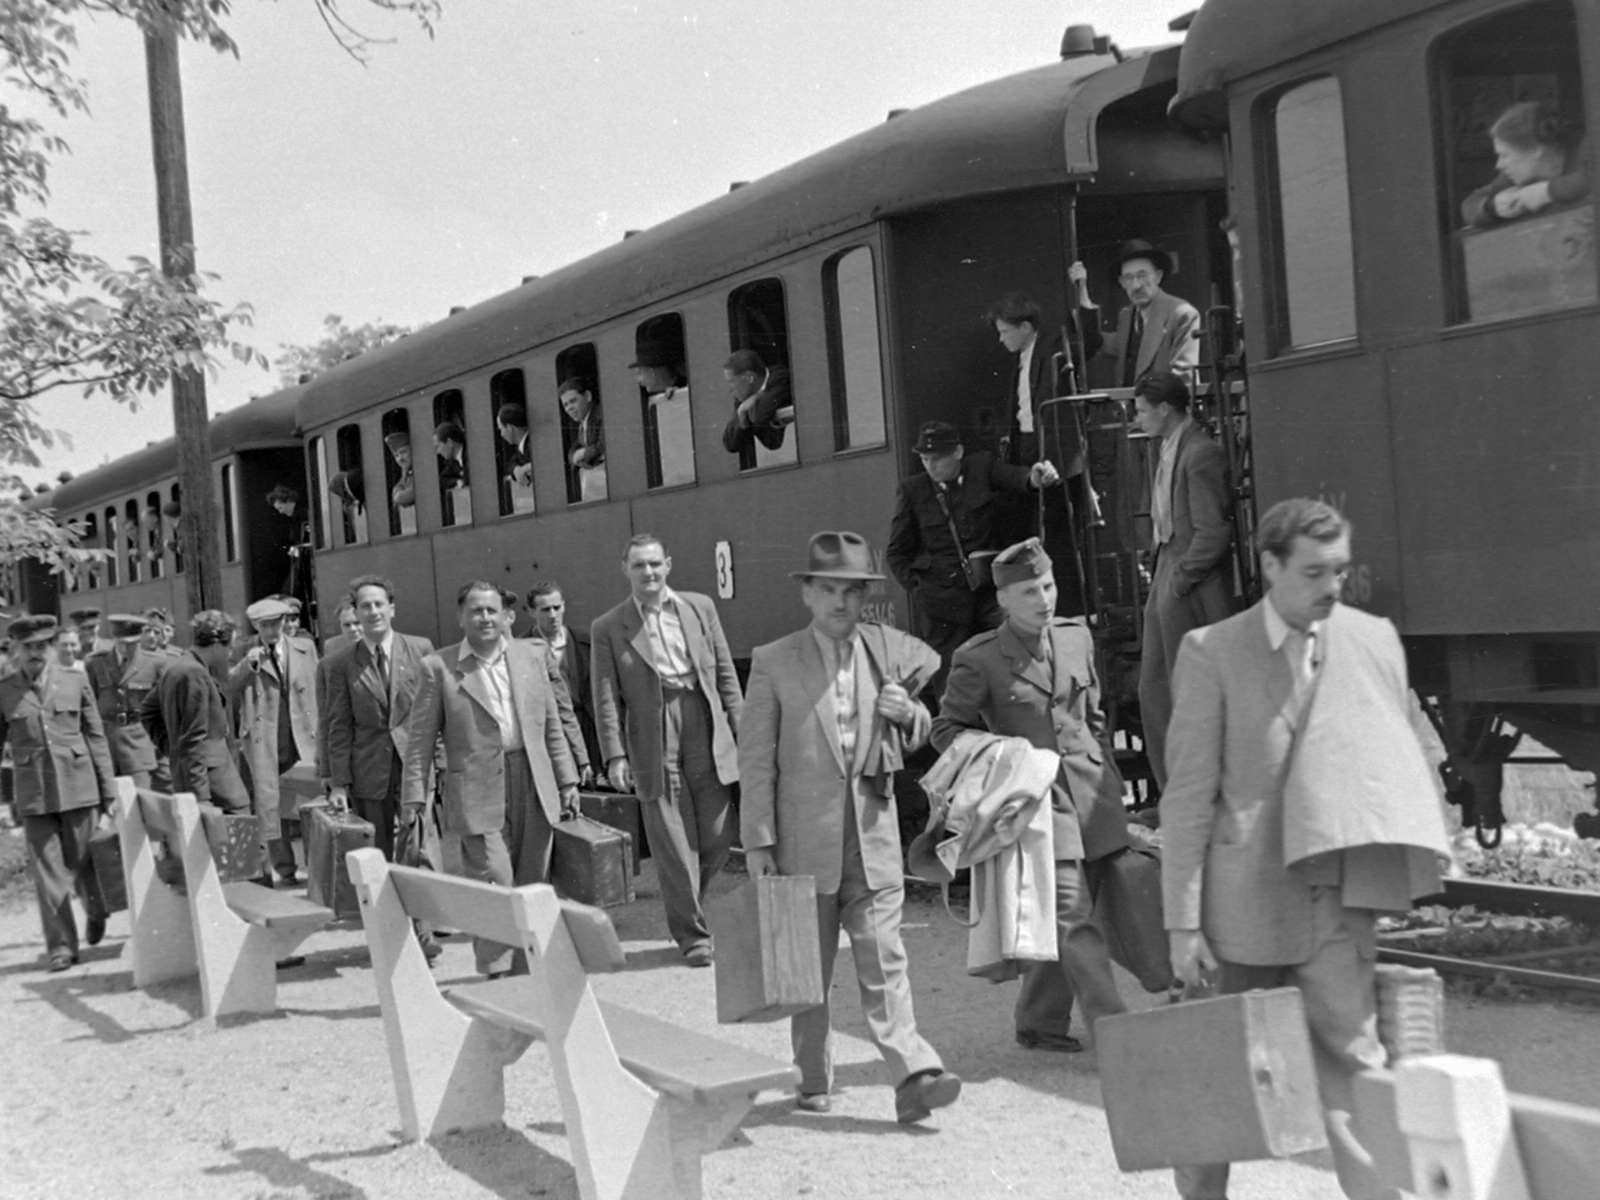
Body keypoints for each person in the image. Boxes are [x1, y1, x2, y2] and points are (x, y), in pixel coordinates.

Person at [1161, 498, 1453, 1200]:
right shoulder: (1212, 653)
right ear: (1270, 565)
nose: (1332, 587)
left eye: (1340, 571)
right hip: (1240, 913)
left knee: (1355, 1071)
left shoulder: (1373, 639)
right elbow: (1189, 797)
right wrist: (1182, 922)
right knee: (1218, 1086)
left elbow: (1407, 750)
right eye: (1315, 572)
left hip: (1335, 903)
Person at [741, 531, 961, 1124]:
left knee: (885, 956)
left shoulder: (885, 652)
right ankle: (812, 1078)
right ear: (807, 594)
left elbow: (919, 729)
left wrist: (911, 715)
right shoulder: (773, 661)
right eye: (829, 590)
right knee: (806, 968)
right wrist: (759, 840)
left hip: (872, 831)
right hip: (800, 841)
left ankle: (913, 1074)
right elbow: (756, 758)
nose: (842, 603)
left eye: (853, 592)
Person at [932, 538, 1131, 1053]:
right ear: (1004, 600)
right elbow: (946, 729)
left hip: (1094, 798)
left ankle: (1039, 1022)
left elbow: (1094, 718)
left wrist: (1109, 776)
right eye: (1028, 591)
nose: (1044, 599)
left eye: (1047, 585)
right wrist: (1004, 759)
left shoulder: (1075, 638)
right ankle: (1119, 1032)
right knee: (1072, 915)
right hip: (1037, 806)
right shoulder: (978, 659)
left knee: (1074, 914)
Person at [400, 581, 580, 978]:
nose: (485, 618)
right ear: (461, 618)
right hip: (476, 789)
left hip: (532, 779)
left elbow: (551, 726)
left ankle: (527, 968)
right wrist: (414, 795)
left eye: (492, 610)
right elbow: (420, 741)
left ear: (505, 617)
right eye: (476, 611)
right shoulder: (439, 668)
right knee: (494, 877)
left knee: (533, 878)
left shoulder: (531, 656)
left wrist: (566, 781)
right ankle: (496, 968)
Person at [591, 534, 741, 967]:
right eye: (639, 565)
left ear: (669, 565)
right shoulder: (609, 626)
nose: (649, 573)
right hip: (652, 733)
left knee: (717, 837)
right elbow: (605, 699)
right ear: (626, 570)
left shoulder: (700, 607)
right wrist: (615, 755)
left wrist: (745, 733)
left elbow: (726, 675)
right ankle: (693, 936)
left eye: (655, 564)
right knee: (673, 843)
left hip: (704, 719)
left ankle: (687, 904)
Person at [887, 420, 1061, 697]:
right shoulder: (913, 490)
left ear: (957, 452)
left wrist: (1035, 478)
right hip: (943, 605)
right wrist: (921, 590)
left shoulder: (980, 467)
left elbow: (1016, 477)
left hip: (990, 594)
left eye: (938, 458)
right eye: (924, 459)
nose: (931, 466)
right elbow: (896, 553)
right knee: (952, 686)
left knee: (1020, 641)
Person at [1131, 372, 1234, 789]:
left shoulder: (1199, 453)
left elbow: (1213, 532)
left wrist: (1180, 578)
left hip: (1187, 581)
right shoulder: (1171, 448)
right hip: (1169, 569)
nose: (1137, 419)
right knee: (1155, 690)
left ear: (1164, 409)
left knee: (1182, 692)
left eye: (1141, 411)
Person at [0, 615, 118, 971]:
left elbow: (95, 735)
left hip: (79, 786)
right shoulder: (5, 691)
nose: (35, 653)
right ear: (17, 651)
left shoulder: (74, 679)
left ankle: (95, 908)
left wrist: (108, 789)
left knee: (84, 863)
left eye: (41, 646)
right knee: (48, 874)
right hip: (34, 793)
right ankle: (62, 947)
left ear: (50, 647)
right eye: (28, 647)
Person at [325, 575, 436, 860]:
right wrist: (339, 782)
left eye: (378, 604)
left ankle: (420, 904)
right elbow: (339, 726)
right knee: (376, 855)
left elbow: (435, 713)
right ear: (356, 613)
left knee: (422, 851)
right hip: (369, 771)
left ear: (392, 608)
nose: (373, 612)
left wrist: (442, 763)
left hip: (415, 765)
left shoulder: (420, 650)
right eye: (365, 606)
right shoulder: (342, 664)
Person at [230, 596, 320, 885]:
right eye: (264, 626)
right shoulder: (244, 650)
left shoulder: (304, 647)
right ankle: (285, 869)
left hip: (301, 736)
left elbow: (318, 687)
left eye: (275, 624)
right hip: (264, 739)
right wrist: (248, 664)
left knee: (310, 801)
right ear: (256, 625)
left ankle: (318, 869)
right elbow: (227, 685)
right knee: (271, 804)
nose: (271, 631)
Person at [141, 610, 251, 814]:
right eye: (230, 646)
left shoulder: (175, 666)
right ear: (217, 645)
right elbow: (194, 737)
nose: (230, 653)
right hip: (213, 782)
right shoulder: (195, 674)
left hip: (193, 775)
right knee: (241, 828)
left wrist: (173, 748)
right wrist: (201, 798)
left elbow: (148, 712)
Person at [1070, 239, 1200, 389]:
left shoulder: (1181, 315)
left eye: (1142, 275)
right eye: (1129, 278)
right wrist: (1082, 288)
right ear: (1121, 282)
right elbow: (1097, 341)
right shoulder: (1127, 316)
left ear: (1158, 276)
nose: (1136, 285)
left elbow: (1183, 380)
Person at [1462, 100, 1591, 227]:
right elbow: (1470, 204)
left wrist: (1545, 192)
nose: (1499, 165)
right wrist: (1493, 207)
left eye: (1505, 155)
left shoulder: (1588, 148)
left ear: (1535, 149)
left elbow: (1593, 177)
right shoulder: (1513, 176)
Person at [528, 581, 602, 783]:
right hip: (551, 732)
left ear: (564, 606)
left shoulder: (587, 642)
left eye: (556, 608)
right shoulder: (522, 649)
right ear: (532, 612)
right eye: (545, 610)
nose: (552, 615)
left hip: (589, 727)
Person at [83, 615, 166, 791]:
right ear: (114, 640)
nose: (126, 648)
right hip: (107, 742)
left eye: (131, 644)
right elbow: (90, 703)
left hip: (138, 741)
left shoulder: (154, 664)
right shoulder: (96, 662)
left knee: (141, 797)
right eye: (121, 644)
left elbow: (162, 709)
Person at [719, 348, 791, 458]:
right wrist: (742, 413)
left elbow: (759, 416)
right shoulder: (744, 399)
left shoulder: (780, 378)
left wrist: (757, 397)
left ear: (749, 377)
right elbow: (730, 444)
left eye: (732, 382)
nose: (730, 389)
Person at [558, 376, 607, 502]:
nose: (569, 408)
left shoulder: (602, 413)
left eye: (573, 401)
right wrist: (575, 457)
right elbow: (574, 449)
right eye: (565, 405)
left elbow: (605, 444)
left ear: (587, 396)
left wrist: (584, 453)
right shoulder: (584, 423)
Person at [496, 403, 533, 489]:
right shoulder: (523, 446)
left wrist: (525, 469)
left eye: (501, 429)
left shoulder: (533, 444)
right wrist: (516, 469)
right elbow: (510, 464)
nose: (502, 435)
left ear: (510, 428)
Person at [384, 430, 416, 510]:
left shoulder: (420, 472)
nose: (400, 459)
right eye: (396, 456)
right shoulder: (408, 475)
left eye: (403, 452)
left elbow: (400, 498)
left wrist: (404, 473)